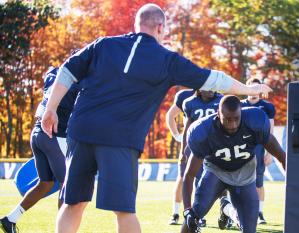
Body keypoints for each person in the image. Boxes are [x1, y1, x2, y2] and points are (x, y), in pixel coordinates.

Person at [40, 4, 272, 233]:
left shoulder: (103, 44)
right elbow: (214, 80)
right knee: (124, 211)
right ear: (161, 27)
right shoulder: (167, 60)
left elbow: (67, 70)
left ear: (136, 24)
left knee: (73, 204)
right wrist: (250, 90)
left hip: (81, 131)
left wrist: (51, 108)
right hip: (119, 138)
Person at [181, 95, 286, 233]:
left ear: (241, 112)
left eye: (236, 119)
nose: (233, 124)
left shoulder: (255, 121)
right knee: (195, 214)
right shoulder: (204, 131)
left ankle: (227, 209)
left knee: (249, 229)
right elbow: (189, 175)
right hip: (216, 172)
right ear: (218, 114)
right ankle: (223, 208)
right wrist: (187, 210)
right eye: (228, 119)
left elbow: (282, 157)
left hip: (245, 174)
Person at [1, 67, 80, 233]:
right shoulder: (77, 83)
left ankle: (10, 219)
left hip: (37, 134)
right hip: (51, 136)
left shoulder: (54, 74)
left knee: (46, 183)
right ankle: (63, 230)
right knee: (68, 184)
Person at [181, 90, 223, 227]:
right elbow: (187, 130)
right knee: (197, 180)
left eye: (213, 86)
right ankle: (197, 214)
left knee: (223, 180)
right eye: (208, 86)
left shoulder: (221, 100)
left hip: (218, 146)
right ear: (199, 89)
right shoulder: (190, 103)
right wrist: (183, 150)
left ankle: (225, 211)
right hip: (199, 146)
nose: (211, 90)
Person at [241, 77, 276, 225]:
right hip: (241, 146)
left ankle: (259, 212)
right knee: (237, 180)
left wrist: (270, 153)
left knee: (258, 183)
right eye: (252, 88)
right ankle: (238, 211)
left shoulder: (267, 107)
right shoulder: (239, 105)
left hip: (259, 147)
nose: (254, 91)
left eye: (257, 88)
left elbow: (270, 131)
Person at [166, 89, 195, 225]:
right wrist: (177, 135)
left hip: (209, 144)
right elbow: (170, 115)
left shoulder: (215, 95)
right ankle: (176, 212)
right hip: (189, 145)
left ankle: (198, 214)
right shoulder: (185, 96)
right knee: (182, 178)